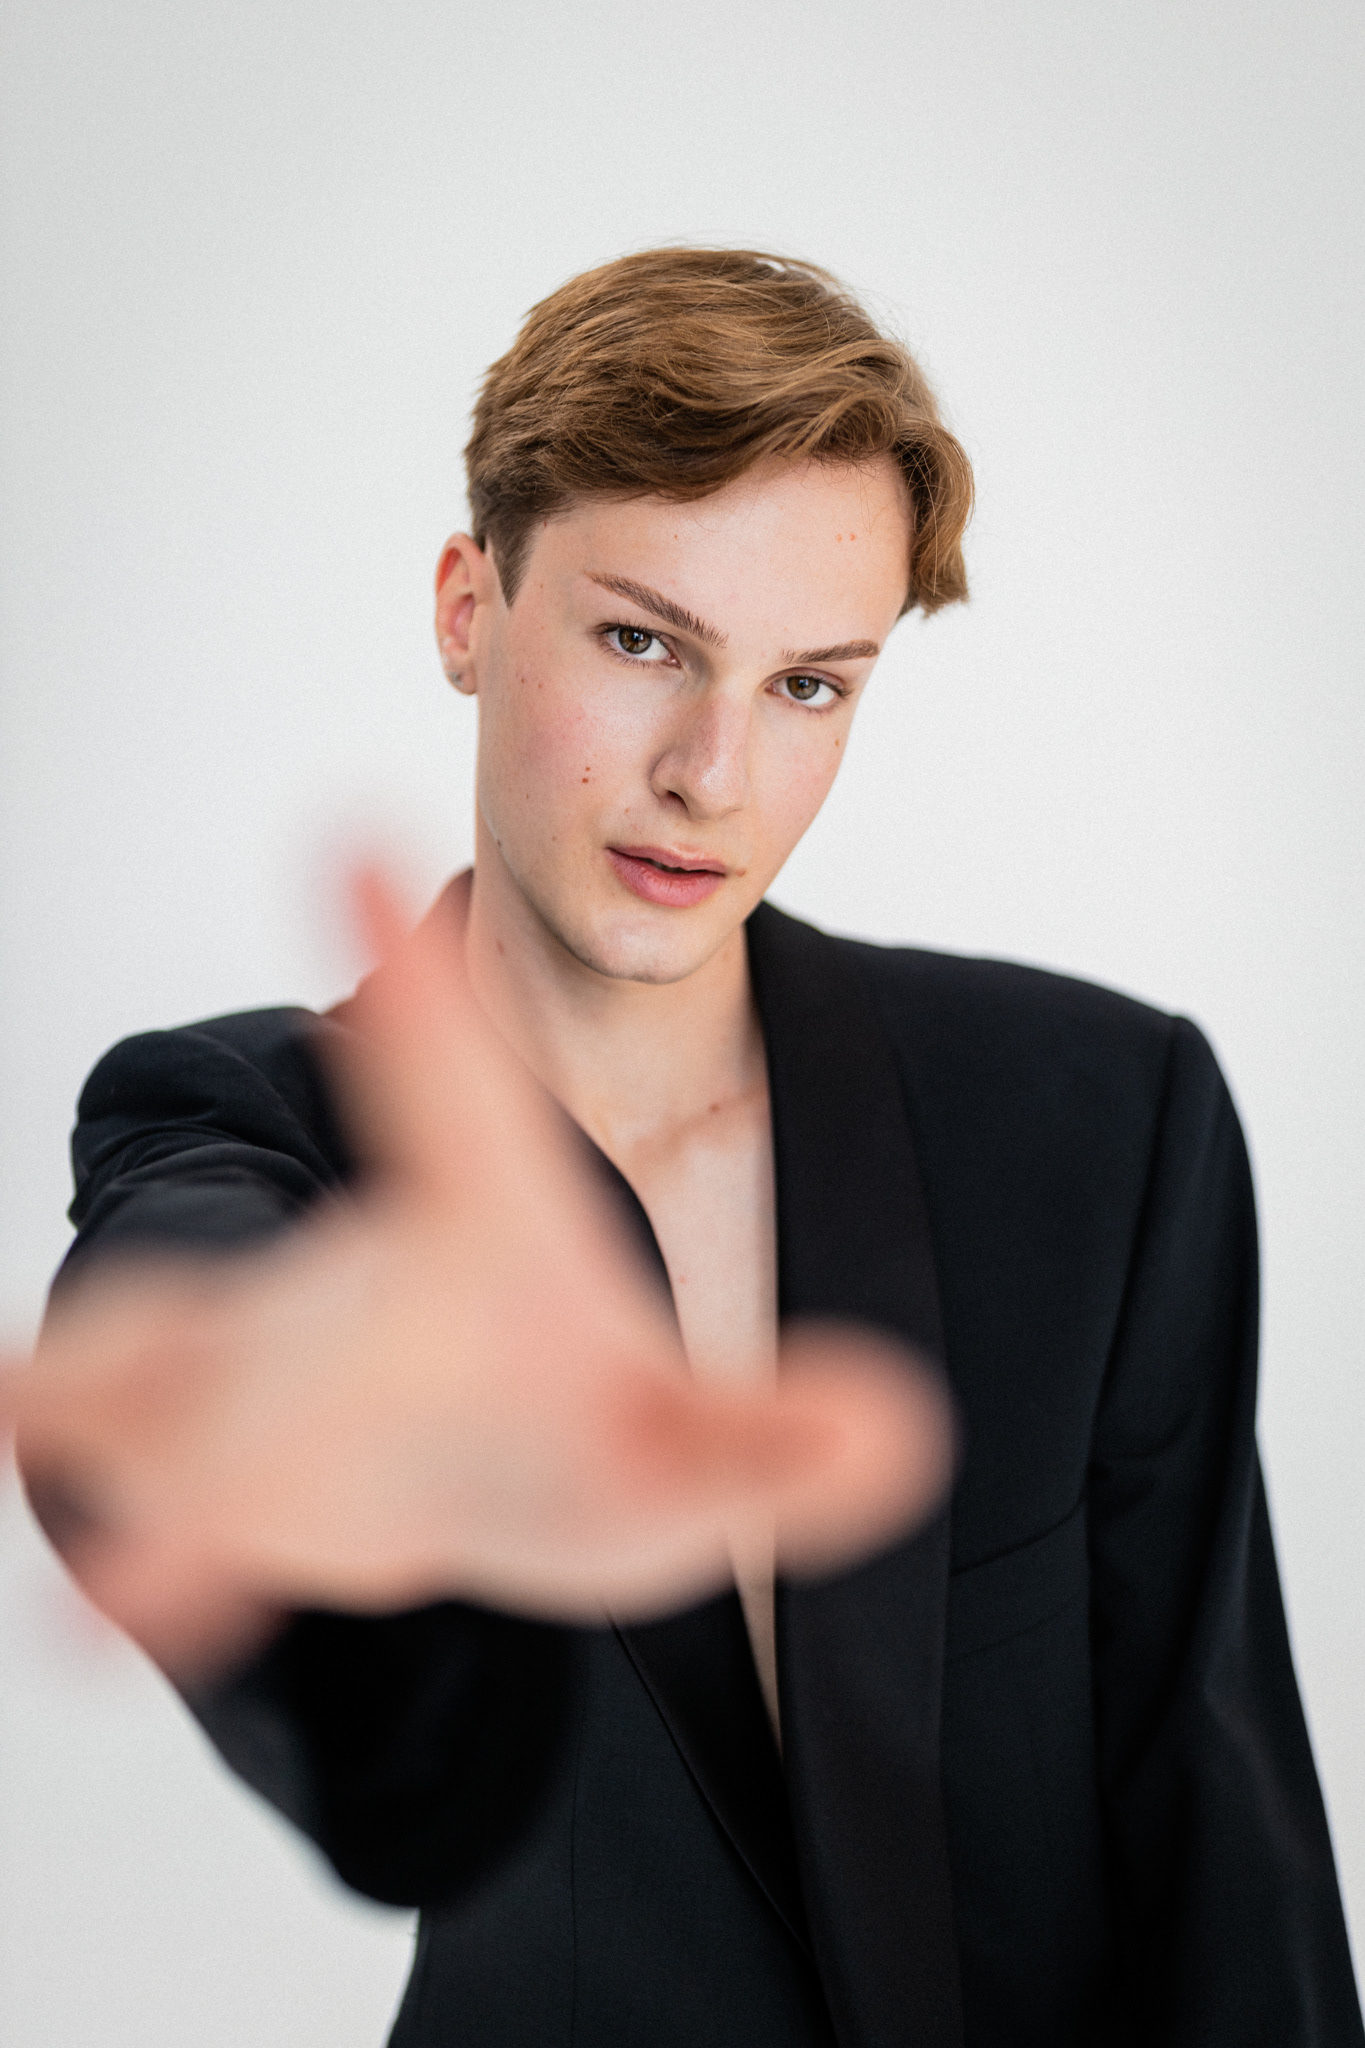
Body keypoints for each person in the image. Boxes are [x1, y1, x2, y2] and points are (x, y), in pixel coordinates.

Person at [8, 247, 1361, 2047]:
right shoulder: (253, 1125)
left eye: (808, 685)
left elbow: (1226, 1858)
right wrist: (262, 1408)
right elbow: (204, 1281)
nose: (711, 773)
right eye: (642, 641)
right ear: (468, 611)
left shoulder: (1099, 1119)